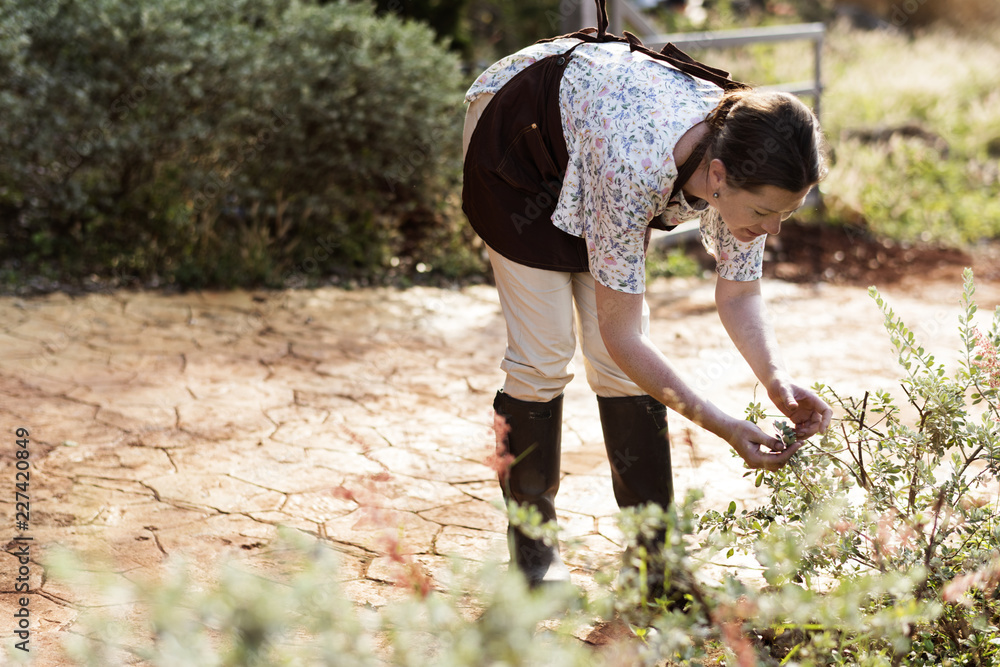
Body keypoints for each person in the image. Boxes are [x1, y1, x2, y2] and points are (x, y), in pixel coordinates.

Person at [462, 0, 833, 589]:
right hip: (520, 136)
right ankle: (533, 560)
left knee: (616, 367)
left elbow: (738, 296)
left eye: (784, 214)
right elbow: (623, 332)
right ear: (716, 178)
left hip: (590, 129)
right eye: (764, 212)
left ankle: (654, 563)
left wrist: (776, 380)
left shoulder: (746, 154)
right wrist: (724, 425)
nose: (772, 229)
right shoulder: (636, 165)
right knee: (543, 356)